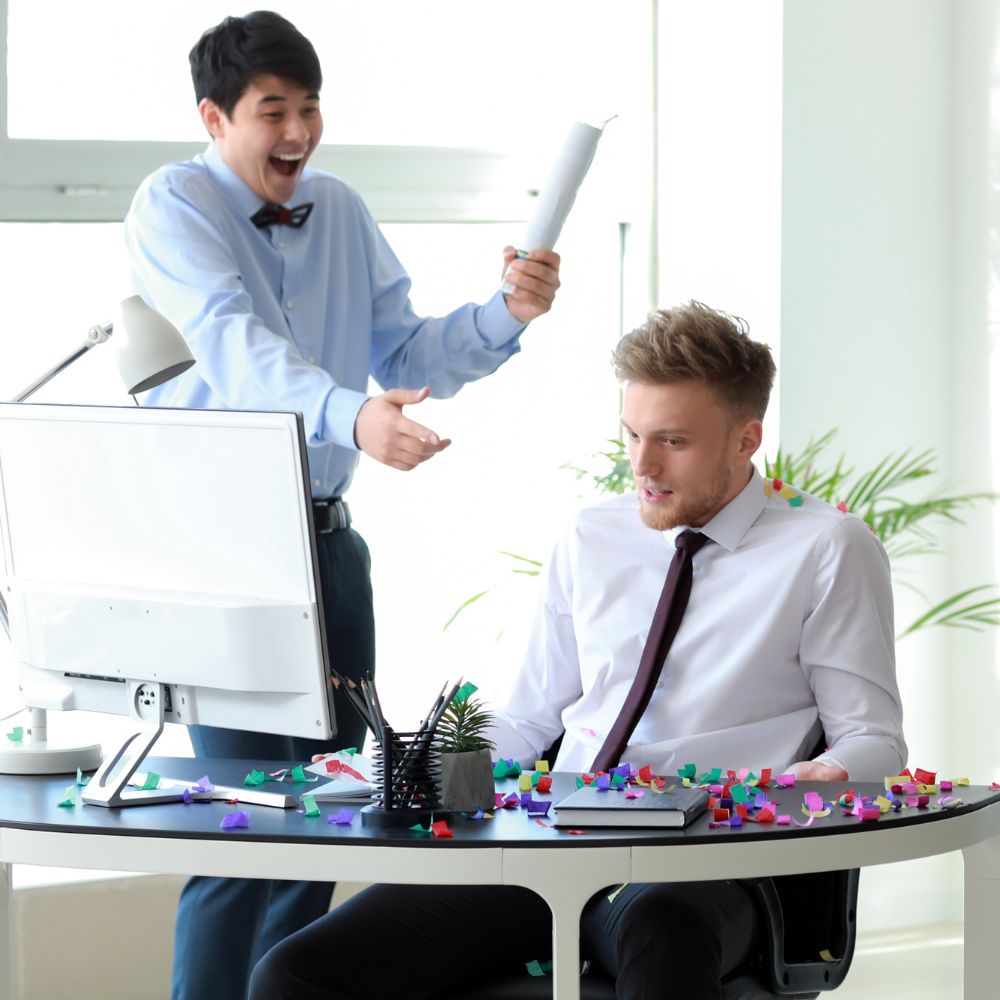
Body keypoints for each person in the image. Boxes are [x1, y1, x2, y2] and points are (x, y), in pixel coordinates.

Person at [247, 301, 906, 1000]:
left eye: (673, 441)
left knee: (665, 933)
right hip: (554, 844)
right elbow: (528, 719)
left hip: (705, 861)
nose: (643, 465)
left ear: (746, 440)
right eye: (633, 435)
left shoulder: (827, 547)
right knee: (295, 974)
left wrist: (827, 772)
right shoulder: (593, 535)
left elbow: (874, 737)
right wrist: (413, 764)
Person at [123, 12, 560, 1000]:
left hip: (326, 546)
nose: (298, 132)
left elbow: (402, 350)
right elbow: (230, 341)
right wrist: (349, 415)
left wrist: (507, 313)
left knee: (324, 819)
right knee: (241, 828)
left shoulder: (343, 208)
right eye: (273, 110)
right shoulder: (173, 204)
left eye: (311, 108)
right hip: (222, 552)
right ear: (214, 117)